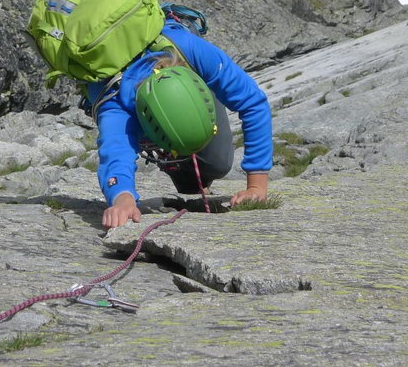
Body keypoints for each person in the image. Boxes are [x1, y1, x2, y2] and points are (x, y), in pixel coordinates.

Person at [86, 16, 273, 229]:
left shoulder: (191, 50)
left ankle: (192, 169)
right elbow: (115, 154)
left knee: (217, 163)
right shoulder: (114, 106)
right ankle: (181, 168)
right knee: (196, 176)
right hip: (116, 87)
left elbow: (253, 103)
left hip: (180, 49)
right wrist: (122, 199)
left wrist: (257, 187)